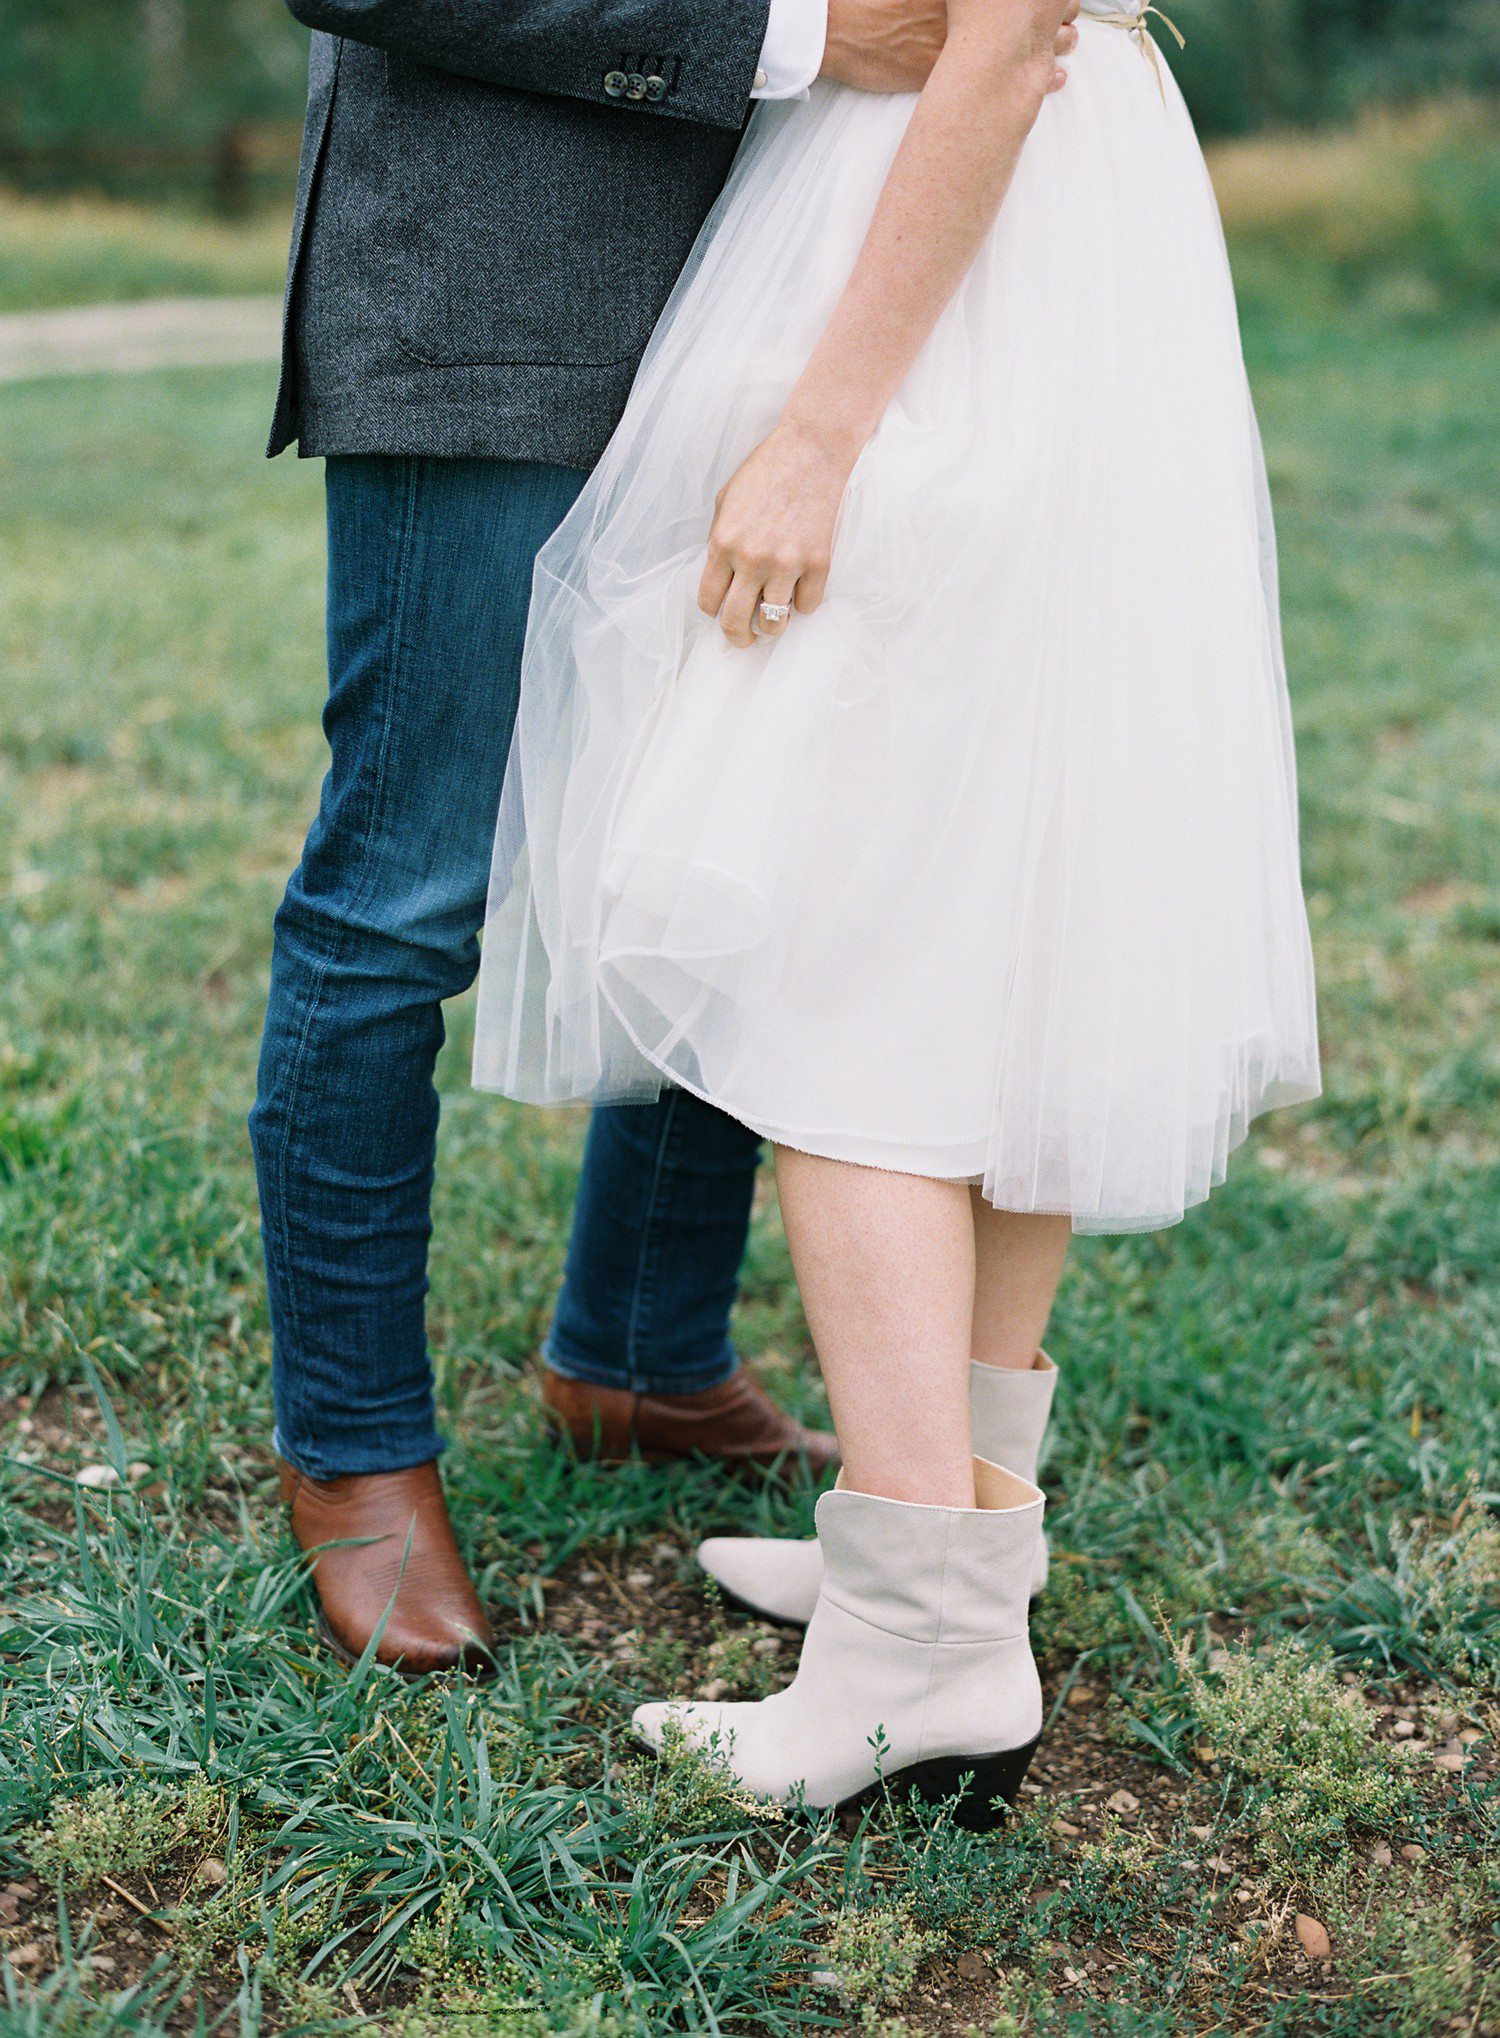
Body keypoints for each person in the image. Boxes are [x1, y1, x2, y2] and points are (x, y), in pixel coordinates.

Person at [472, 0, 1321, 1820]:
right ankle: (952, 1539)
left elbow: (1004, 36)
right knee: (1002, 896)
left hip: (962, 252)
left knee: (848, 929)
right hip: (1052, 218)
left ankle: (913, 1643)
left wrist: (820, 434)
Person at [255, 0, 1079, 1679]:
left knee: (743, 834)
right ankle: (352, 1447)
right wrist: (788, 31)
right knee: (407, 893)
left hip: (780, 297)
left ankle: (640, 1349)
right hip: (500, 291)